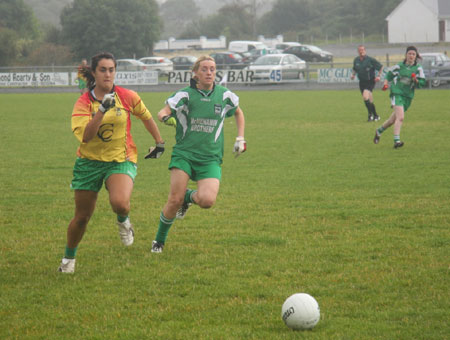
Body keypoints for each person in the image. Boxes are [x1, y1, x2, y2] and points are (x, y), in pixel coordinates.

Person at [59, 52, 166, 273]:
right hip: (89, 163)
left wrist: (159, 142)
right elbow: (87, 137)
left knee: (120, 203)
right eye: (103, 70)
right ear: (94, 73)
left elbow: (145, 116)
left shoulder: (127, 96)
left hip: (121, 159)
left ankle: (124, 220)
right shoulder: (83, 103)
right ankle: (68, 260)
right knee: (81, 218)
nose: (108, 74)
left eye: (111, 70)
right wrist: (101, 110)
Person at [150, 55, 246, 253]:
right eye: (204, 69)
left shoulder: (224, 95)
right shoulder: (185, 95)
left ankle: (188, 197)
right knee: (174, 200)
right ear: (195, 73)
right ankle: (159, 241)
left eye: (212, 69)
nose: (209, 72)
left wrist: (240, 138)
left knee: (207, 201)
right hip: (184, 154)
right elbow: (163, 111)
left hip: (210, 157)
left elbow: (238, 112)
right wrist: (166, 118)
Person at [373, 46, 426, 148]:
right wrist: (385, 84)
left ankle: (379, 131)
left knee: (392, 120)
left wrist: (416, 81)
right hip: (396, 92)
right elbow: (389, 74)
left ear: (416, 56)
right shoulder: (399, 66)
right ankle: (396, 141)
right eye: (409, 53)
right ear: (406, 55)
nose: (411, 56)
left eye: (413, 54)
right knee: (400, 118)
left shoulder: (418, 68)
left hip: (408, 96)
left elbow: (422, 82)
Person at [351, 45, 383, 122]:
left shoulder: (370, 60)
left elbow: (380, 66)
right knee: (369, 100)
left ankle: (370, 115)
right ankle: (376, 115)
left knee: (365, 97)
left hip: (370, 81)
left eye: (362, 50)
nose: (361, 51)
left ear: (365, 51)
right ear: (358, 51)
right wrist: (353, 74)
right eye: (360, 50)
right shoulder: (356, 60)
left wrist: (379, 76)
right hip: (362, 82)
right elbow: (355, 69)